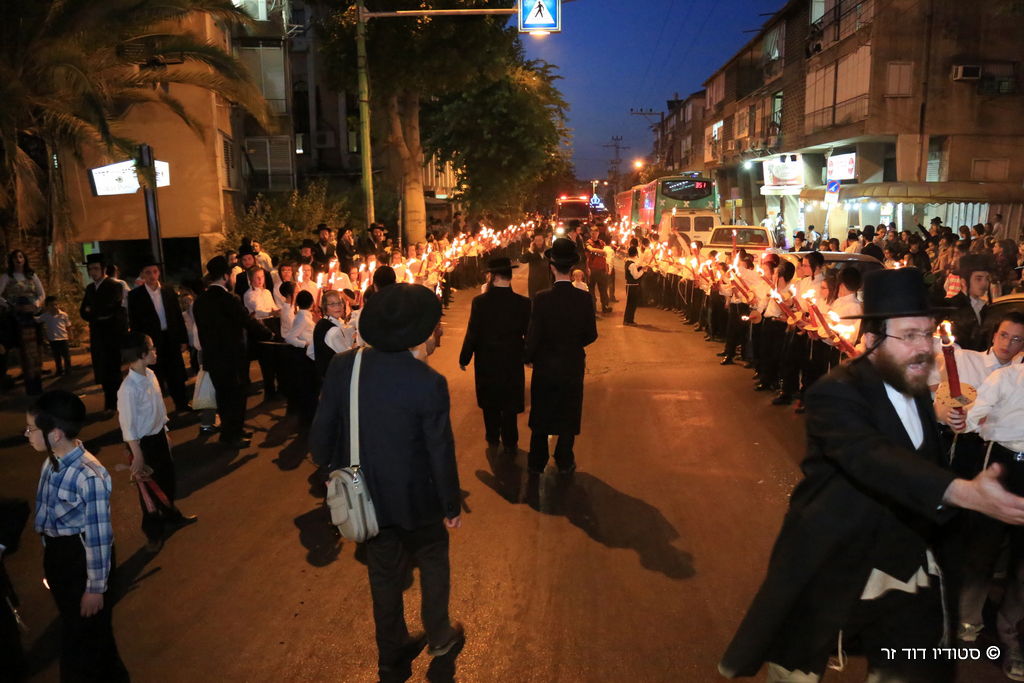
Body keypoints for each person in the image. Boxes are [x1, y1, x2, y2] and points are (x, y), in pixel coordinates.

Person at [719, 268, 1024, 683]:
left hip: (898, 555)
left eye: (928, 334)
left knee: (908, 662)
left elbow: (913, 452)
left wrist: (940, 420)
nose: (924, 347)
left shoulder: (914, 386)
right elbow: (868, 455)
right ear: (872, 339)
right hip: (834, 553)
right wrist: (959, 491)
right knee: (797, 667)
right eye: (910, 335)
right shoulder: (835, 391)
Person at [310, 283, 464, 683]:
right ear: (418, 332)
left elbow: (322, 429)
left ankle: (391, 655)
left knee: (382, 574)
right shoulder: (427, 382)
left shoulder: (345, 366)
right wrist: (450, 505)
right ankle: (439, 633)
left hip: (366, 496)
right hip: (418, 499)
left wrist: (329, 470)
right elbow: (439, 450)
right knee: (431, 557)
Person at [27, 390, 129, 682]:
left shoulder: (89, 475)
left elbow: (99, 537)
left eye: (32, 428)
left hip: (81, 559)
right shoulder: (51, 462)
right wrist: (50, 557)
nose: (27, 434)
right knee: (87, 633)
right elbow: (46, 516)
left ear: (55, 434)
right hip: (61, 557)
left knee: (83, 639)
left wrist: (95, 587)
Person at [117, 332, 197, 553]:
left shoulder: (151, 374)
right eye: (151, 348)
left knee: (167, 480)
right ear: (141, 355)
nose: (155, 351)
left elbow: (159, 409)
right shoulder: (128, 389)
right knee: (149, 491)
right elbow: (127, 426)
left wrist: (165, 432)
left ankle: (172, 516)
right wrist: (138, 454)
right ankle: (153, 534)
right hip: (142, 445)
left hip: (158, 437)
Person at [525, 238, 598, 475]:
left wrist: (529, 355)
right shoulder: (584, 298)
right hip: (572, 363)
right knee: (568, 409)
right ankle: (564, 457)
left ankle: (538, 458)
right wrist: (572, 345)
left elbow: (534, 334)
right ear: (572, 268)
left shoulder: (542, 298)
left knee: (542, 410)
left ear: (552, 267)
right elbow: (591, 334)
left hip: (546, 364)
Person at [459, 257, 531, 455]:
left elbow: (473, 332)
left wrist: (465, 357)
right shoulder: (523, 303)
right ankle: (510, 440)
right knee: (509, 401)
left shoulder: (481, 302)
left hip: (487, 359)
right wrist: (528, 356)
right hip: (511, 359)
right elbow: (528, 334)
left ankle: (492, 435)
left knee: (490, 401)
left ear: (493, 276)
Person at [194, 256, 266, 449]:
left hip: (214, 358)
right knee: (235, 398)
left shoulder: (201, 300)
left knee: (224, 397)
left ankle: (234, 431)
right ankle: (231, 435)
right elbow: (247, 321)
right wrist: (270, 334)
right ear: (226, 276)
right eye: (231, 275)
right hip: (232, 359)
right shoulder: (228, 299)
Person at [127, 256, 190, 412]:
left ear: (159, 273)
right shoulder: (135, 296)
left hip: (171, 337)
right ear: (142, 275)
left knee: (176, 373)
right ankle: (157, 410)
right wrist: (141, 345)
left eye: (155, 272)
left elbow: (177, 315)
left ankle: (181, 403)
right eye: (148, 273)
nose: (152, 276)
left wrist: (183, 339)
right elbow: (135, 322)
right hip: (152, 341)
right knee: (156, 375)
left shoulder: (168, 290)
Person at [79, 253, 127, 412]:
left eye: (95, 268)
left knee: (113, 369)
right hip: (97, 334)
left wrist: (94, 311)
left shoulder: (114, 285)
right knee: (102, 368)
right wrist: (95, 312)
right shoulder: (90, 288)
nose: (92, 272)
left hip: (111, 334)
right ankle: (110, 401)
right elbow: (83, 311)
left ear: (103, 269)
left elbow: (111, 307)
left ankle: (115, 402)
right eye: (90, 269)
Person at [944, 254, 994, 352]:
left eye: (987, 278)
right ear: (963, 282)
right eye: (978, 279)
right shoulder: (953, 307)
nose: (984, 283)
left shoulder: (984, 307)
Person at [38, 295, 71, 376]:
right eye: (52, 305)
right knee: (57, 356)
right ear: (47, 306)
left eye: (56, 304)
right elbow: (37, 319)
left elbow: (68, 326)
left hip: (63, 338)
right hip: (53, 339)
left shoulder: (63, 315)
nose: (54, 307)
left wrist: (70, 336)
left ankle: (68, 370)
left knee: (66, 356)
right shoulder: (45, 316)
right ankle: (59, 370)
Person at [520, 233, 553, 299]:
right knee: (534, 302)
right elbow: (523, 260)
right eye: (536, 240)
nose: (538, 242)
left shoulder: (549, 250)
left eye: (540, 240)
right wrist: (530, 250)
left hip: (546, 282)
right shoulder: (531, 252)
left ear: (543, 240)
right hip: (534, 282)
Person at [622, 246, 646, 326]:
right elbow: (635, 276)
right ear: (636, 253)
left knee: (632, 304)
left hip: (632, 286)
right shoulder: (631, 264)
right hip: (632, 286)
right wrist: (642, 270)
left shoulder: (629, 262)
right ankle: (628, 321)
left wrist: (640, 267)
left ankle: (629, 320)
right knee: (631, 304)